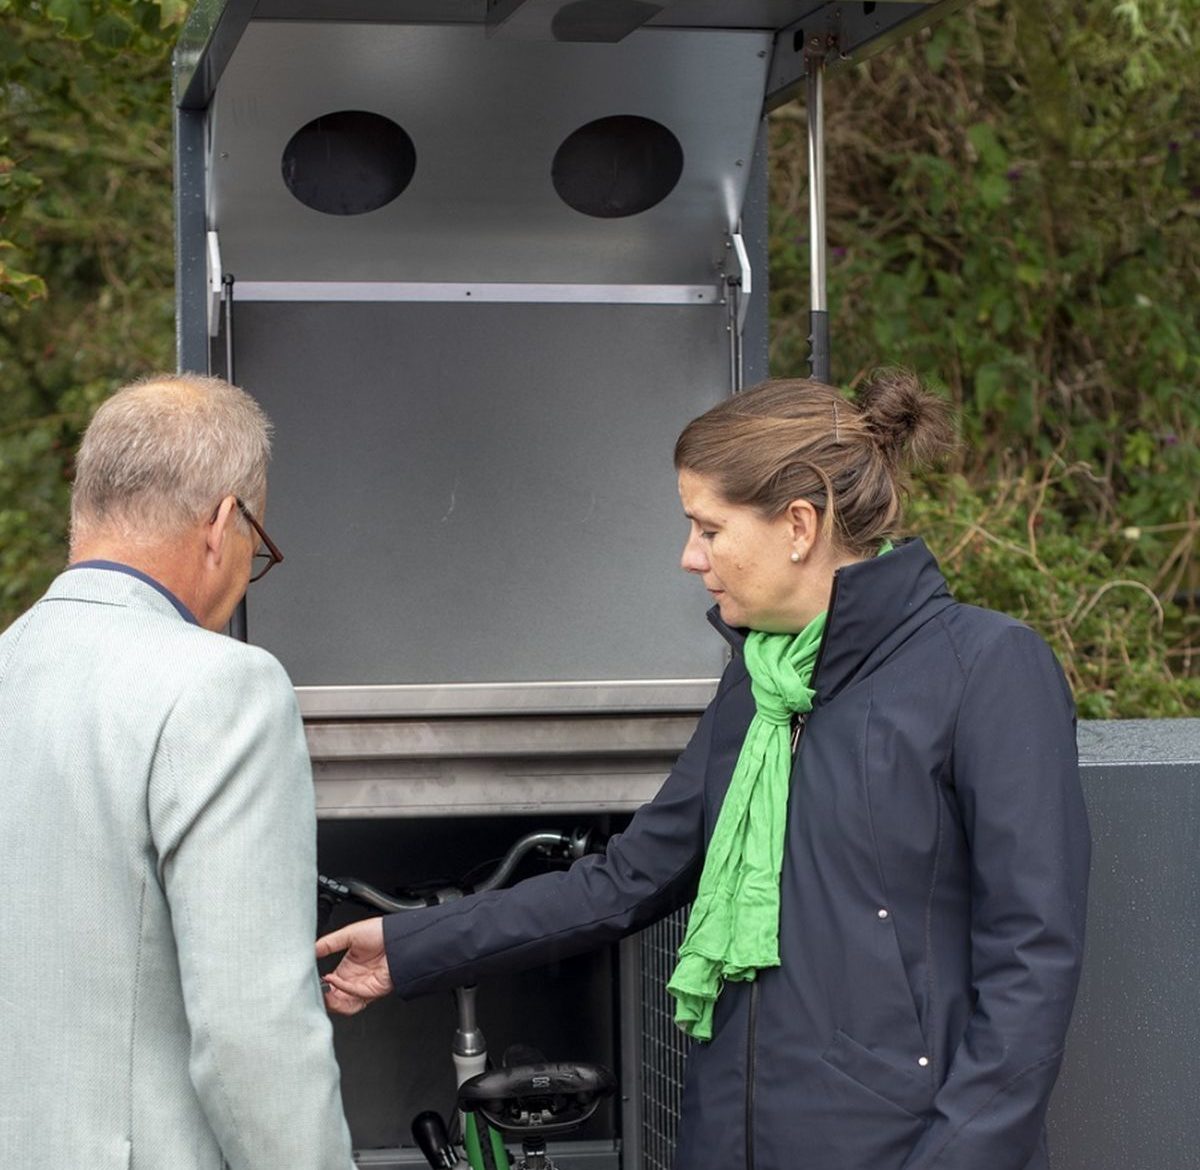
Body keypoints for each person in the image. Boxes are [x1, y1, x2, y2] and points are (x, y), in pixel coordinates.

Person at [317, 371, 1091, 1170]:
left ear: (798, 524)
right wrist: (411, 946)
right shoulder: (757, 684)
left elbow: (1032, 961)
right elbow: (622, 882)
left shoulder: (987, 669)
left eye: (709, 528)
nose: (690, 558)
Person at [0, 374, 355, 1170]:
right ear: (223, 522)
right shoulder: (221, 686)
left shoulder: (9, 665)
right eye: (255, 544)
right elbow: (251, 1029)